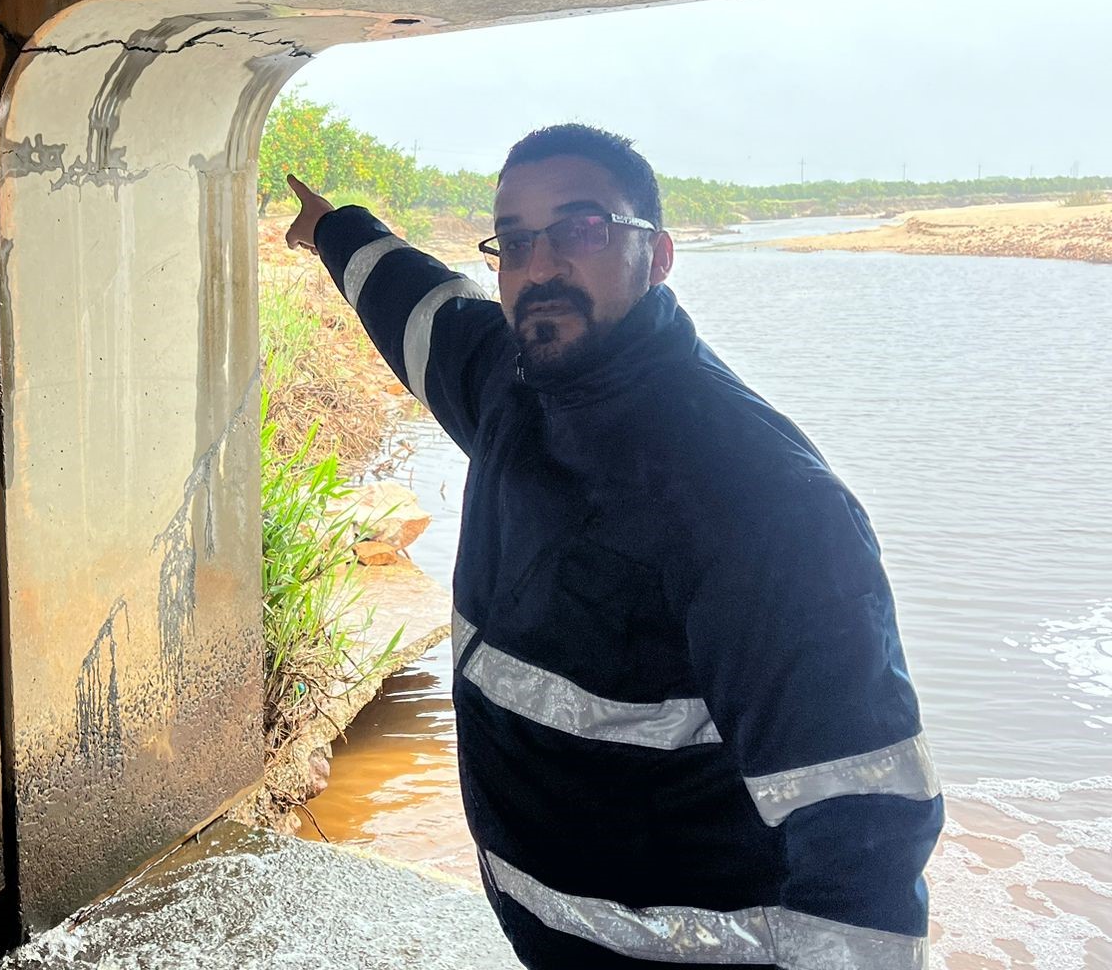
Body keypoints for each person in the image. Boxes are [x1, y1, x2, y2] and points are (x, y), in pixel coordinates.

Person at [284, 124, 943, 969]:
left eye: (581, 228)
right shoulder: (510, 384)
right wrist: (332, 228)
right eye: (516, 240)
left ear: (659, 254)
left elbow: (865, 837)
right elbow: (419, 308)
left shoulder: (762, 501)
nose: (541, 264)